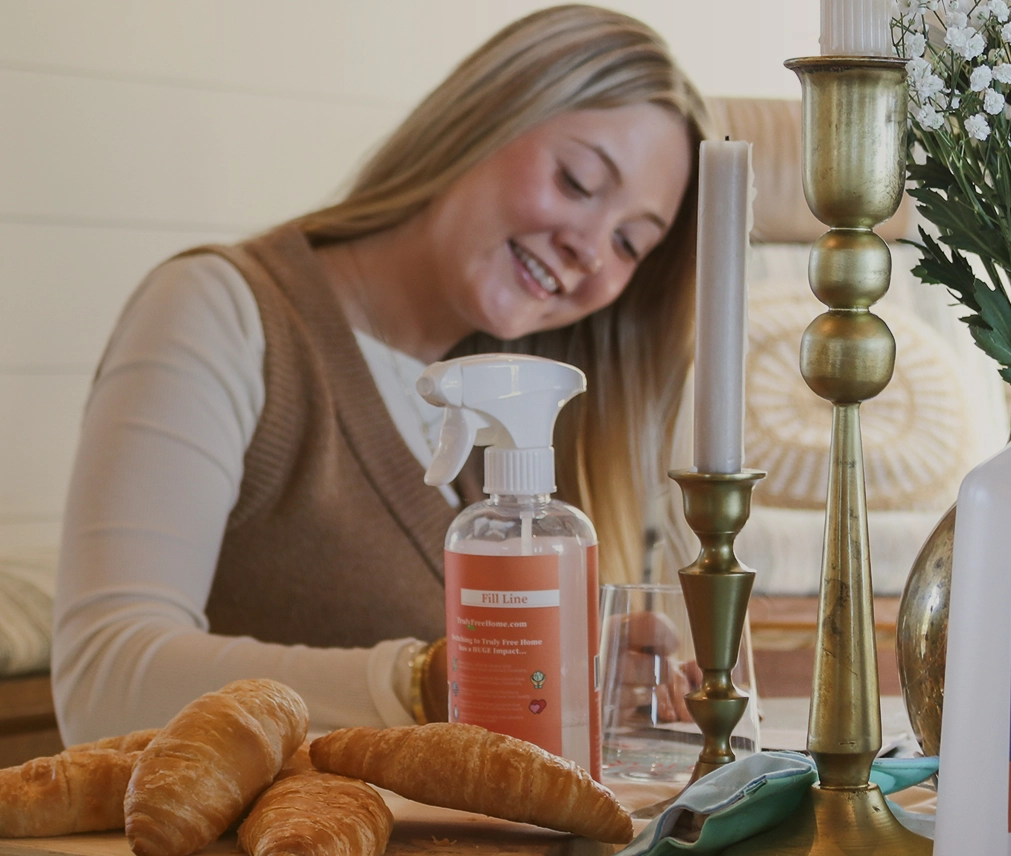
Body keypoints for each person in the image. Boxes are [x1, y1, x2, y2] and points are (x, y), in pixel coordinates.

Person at [51, 5, 705, 743]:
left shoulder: (527, 408)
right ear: (484, 117)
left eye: (630, 242)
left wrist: (605, 688)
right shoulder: (220, 311)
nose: (591, 249)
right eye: (578, 181)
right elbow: (101, 683)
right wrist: (424, 682)